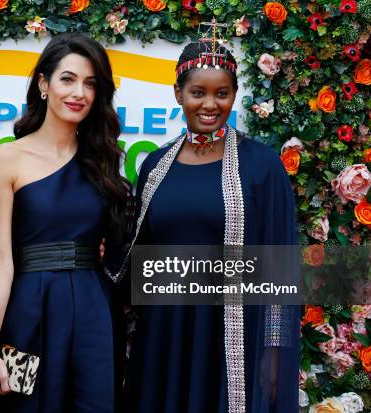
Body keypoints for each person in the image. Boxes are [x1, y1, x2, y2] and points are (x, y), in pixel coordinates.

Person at [125, 39, 300, 412]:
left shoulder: (261, 165)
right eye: (198, 93)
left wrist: (274, 353)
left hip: (231, 333)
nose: (209, 104)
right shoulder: (155, 165)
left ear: (234, 96)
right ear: (178, 94)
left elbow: (281, 266)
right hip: (164, 332)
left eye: (222, 93)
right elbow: (139, 257)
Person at [0, 33, 130, 412]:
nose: (79, 92)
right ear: (44, 84)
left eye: (90, 83)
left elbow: (117, 246)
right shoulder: (5, 157)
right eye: (68, 79)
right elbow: (0, 257)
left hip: (94, 313)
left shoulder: (104, 160)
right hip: (30, 310)